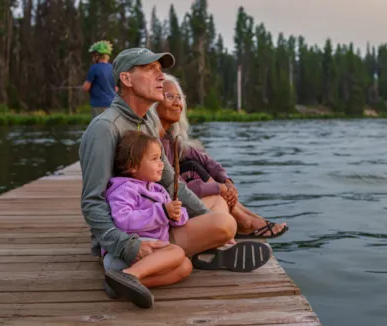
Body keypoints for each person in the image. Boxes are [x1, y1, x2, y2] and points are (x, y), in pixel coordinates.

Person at [79, 47, 273, 305]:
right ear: (126, 79)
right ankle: (121, 270)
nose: (161, 77)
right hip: (129, 235)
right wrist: (126, 246)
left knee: (208, 226)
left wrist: (204, 219)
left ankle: (143, 273)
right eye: (150, 70)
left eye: (161, 71)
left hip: (155, 219)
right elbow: (92, 201)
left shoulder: (146, 119)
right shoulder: (105, 129)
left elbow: (170, 181)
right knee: (225, 224)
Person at [150, 73, 289, 239]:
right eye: (170, 96)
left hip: (179, 199)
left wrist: (226, 181)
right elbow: (170, 189)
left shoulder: (170, 139)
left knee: (194, 165)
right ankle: (244, 223)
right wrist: (219, 188)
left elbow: (207, 161)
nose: (177, 103)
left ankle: (249, 219)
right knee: (215, 194)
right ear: (154, 102)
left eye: (179, 97)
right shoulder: (152, 143)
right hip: (163, 209)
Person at [103, 130, 191, 308]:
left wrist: (176, 214)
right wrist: (163, 212)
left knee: (185, 266)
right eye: (154, 159)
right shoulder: (125, 189)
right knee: (177, 252)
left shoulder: (158, 190)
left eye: (161, 158)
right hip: (127, 251)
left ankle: (121, 283)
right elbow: (123, 219)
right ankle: (129, 275)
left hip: (149, 254)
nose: (161, 164)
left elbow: (177, 218)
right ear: (132, 166)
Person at [82, 40, 117, 117]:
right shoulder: (113, 68)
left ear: (98, 55)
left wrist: (84, 87)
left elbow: (86, 87)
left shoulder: (94, 68)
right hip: (112, 105)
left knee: (99, 127)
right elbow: (116, 88)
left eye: (94, 55)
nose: (92, 58)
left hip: (98, 105)